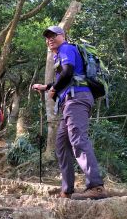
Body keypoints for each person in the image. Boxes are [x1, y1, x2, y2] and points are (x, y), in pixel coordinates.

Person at [32, 25, 107, 200]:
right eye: (47, 37)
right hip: (70, 102)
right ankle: (67, 190)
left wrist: (53, 90)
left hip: (77, 100)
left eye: (53, 35)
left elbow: (68, 73)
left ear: (63, 36)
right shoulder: (60, 56)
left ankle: (96, 187)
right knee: (62, 145)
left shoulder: (66, 48)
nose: (50, 39)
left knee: (78, 139)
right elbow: (65, 78)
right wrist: (46, 87)